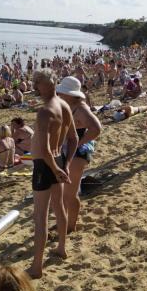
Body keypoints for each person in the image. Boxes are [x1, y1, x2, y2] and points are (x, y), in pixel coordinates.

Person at [28, 69, 78, 279]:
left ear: (45, 84)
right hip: (58, 160)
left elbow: (45, 148)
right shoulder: (65, 105)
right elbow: (73, 139)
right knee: (59, 207)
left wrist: (57, 168)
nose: (36, 87)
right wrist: (65, 164)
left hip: (45, 164)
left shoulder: (44, 112)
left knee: (40, 216)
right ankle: (62, 248)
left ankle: (37, 267)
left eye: (38, 83)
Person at [56, 76, 102, 233]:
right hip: (69, 148)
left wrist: (80, 143)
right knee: (63, 192)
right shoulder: (70, 104)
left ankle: (70, 226)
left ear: (70, 94)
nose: (59, 94)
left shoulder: (80, 108)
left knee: (70, 192)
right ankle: (65, 221)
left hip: (79, 151)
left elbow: (96, 128)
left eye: (62, 92)